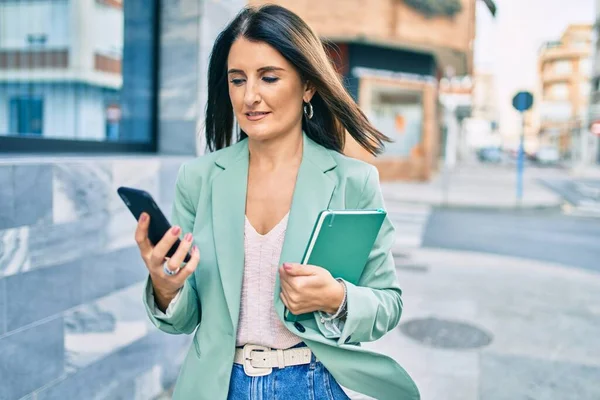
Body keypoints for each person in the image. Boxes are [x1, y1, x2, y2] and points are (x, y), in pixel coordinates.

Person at [135, 4, 419, 400]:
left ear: (307, 86)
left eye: (268, 77)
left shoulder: (353, 181)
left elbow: (388, 304)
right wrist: (166, 287)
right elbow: (186, 319)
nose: (250, 96)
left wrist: (336, 298)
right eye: (237, 80)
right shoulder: (198, 179)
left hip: (311, 383)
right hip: (218, 386)